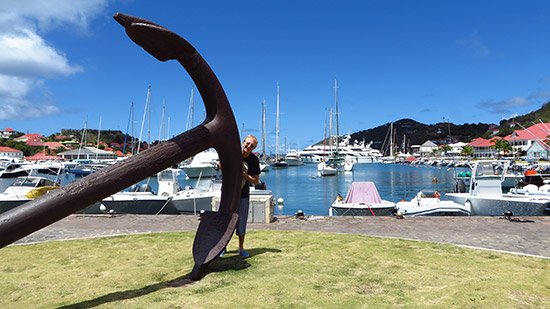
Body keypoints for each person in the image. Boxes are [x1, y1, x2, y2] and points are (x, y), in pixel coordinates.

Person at [236, 135, 261, 258]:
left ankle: (241, 248)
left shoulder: (254, 160)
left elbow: (256, 181)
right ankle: (222, 247)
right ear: (243, 142)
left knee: (242, 222)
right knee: (225, 220)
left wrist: (244, 174)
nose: (248, 146)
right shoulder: (233, 153)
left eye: (252, 146)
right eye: (247, 143)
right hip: (228, 193)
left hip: (243, 194)